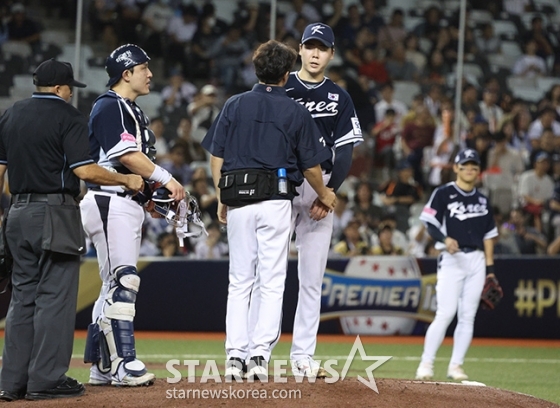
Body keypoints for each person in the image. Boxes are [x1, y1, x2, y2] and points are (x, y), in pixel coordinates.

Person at [0, 59, 143, 401]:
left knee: (22, 299)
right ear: (61, 88)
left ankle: (11, 381)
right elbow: (86, 171)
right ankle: (45, 379)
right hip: (54, 211)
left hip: (17, 212)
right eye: (69, 88)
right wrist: (126, 178)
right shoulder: (68, 116)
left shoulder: (10, 114)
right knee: (55, 297)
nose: (70, 93)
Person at [202, 39, 336, 381]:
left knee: (239, 280)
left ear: (256, 69)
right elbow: (310, 167)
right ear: (288, 73)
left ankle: (235, 356)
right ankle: (260, 355)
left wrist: (221, 196)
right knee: (272, 281)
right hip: (276, 200)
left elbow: (216, 155)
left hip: (240, 200)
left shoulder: (234, 104)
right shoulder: (294, 110)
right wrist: (324, 194)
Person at [80, 44, 185, 387]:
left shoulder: (128, 108)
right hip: (110, 199)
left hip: (122, 201)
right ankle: (124, 363)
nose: (150, 73)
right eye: (143, 68)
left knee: (113, 285)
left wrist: (149, 200)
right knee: (124, 281)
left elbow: (129, 164)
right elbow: (126, 156)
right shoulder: (112, 105)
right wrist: (167, 179)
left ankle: (102, 367)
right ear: (126, 73)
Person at [278, 23, 363, 378]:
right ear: (299, 49)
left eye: (322, 48)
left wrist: (330, 194)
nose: (315, 54)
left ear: (331, 54)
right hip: (281, 184)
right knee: (269, 274)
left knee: (312, 278)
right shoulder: (281, 87)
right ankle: (256, 352)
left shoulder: (339, 96)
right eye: (310, 47)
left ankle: (302, 356)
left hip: (321, 187)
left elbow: (345, 150)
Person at [415, 148, 498, 382]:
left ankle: (456, 366)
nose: (470, 169)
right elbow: (429, 222)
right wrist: (443, 239)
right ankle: (426, 364)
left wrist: (490, 271)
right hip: (452, 259)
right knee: (445, 312)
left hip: (477, 260)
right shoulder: (444, 193)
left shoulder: (482, 199)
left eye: (474, 166)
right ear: (456, 168)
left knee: (468, 315)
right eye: (465, 165)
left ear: (479, 170)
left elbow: (489, 236)